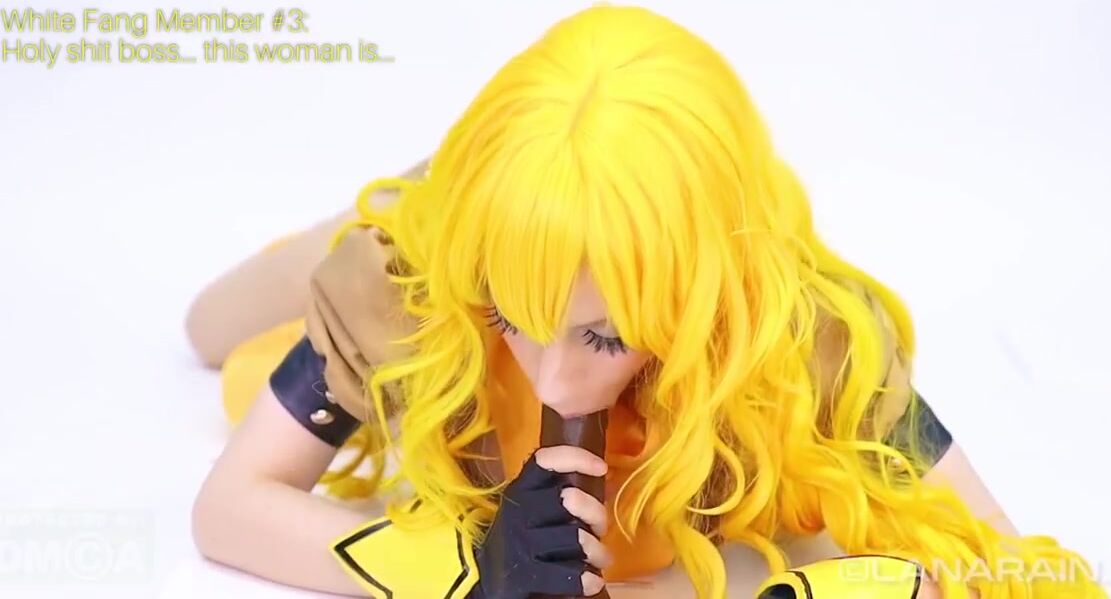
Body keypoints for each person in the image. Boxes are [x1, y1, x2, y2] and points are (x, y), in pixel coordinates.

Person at [187, 5, 1105, 599]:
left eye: (604, 335)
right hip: (436, 221)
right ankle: (425, 226)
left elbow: (1009, 555)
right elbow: (225, 510)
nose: (554, 380)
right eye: (514, 320)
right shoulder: (406, 289)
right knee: (212, 330)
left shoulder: (809, 334)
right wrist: (465, 573)